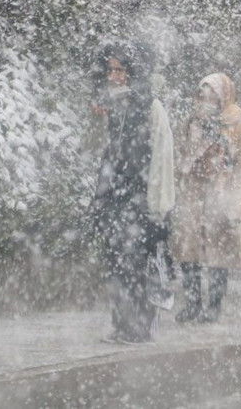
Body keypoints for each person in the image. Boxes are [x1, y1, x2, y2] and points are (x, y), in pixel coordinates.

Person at [90, 42, 175, 343]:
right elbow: (102, 153)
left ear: (133, 72)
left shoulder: (151, 107)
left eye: (121, 70)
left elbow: (162, 158)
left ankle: (141, 326)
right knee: (116, 264)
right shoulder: (108, 105)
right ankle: (122, 324)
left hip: (139, 201)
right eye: (111, 70)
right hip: (114, 197)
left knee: (138, 265)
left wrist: (158, 205)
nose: (114, 76)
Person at [172, 72, 241, 323]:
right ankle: (192, 303)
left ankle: (214, 307)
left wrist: (235, 206)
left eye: (212, 93)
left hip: (221, 194)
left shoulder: (236, 125)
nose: (206, 97)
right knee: (189, 251)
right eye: (202, 92)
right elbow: (179, 154)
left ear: (223, 95)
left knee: (219, 253)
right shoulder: (192, 122)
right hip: (193, 193)